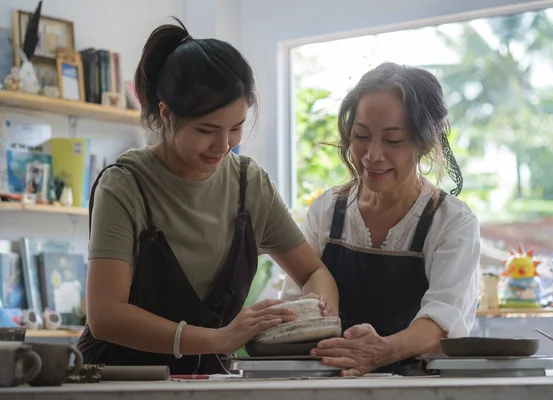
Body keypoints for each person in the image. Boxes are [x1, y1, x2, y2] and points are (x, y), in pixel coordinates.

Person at [77, 19, 339, 375]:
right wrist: (221, 339)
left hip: (209, 381)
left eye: (236, 128)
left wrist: (316, 309)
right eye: (206, 130)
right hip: (122, 380)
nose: (224, 145)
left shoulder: (250, 184)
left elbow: (312, 271)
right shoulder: (124, 186)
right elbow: (106, 316)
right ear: (166, 114)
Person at [281, 63, 481, 377]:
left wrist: (381, 351)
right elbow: (295, 302)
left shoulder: (451, 222)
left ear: (426, 141)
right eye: (361, 136)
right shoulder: (327, 210)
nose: (372, 155)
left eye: (392, 140)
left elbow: (444, 318)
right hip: (329, 384)